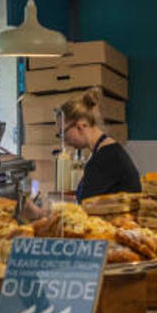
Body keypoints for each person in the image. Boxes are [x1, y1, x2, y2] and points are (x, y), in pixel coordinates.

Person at [23, 87, 141, 218]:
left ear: (81, 125)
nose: (64, 141)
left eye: (63, 133)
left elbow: (83, 216)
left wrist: (39, 213)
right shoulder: (105, 151)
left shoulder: (105, 159)